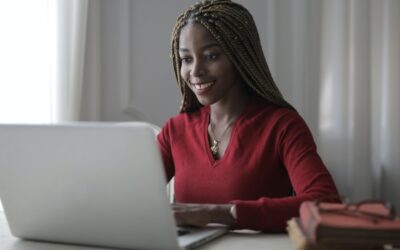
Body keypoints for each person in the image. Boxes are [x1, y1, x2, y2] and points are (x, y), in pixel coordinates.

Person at [157, 0, 339, 232]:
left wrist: (220, 213)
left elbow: (326, 203)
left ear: (240, 55)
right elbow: (129, 198)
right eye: (187, 59)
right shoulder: (175, 130)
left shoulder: (282, 126)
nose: (195, 71)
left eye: (211, 56)